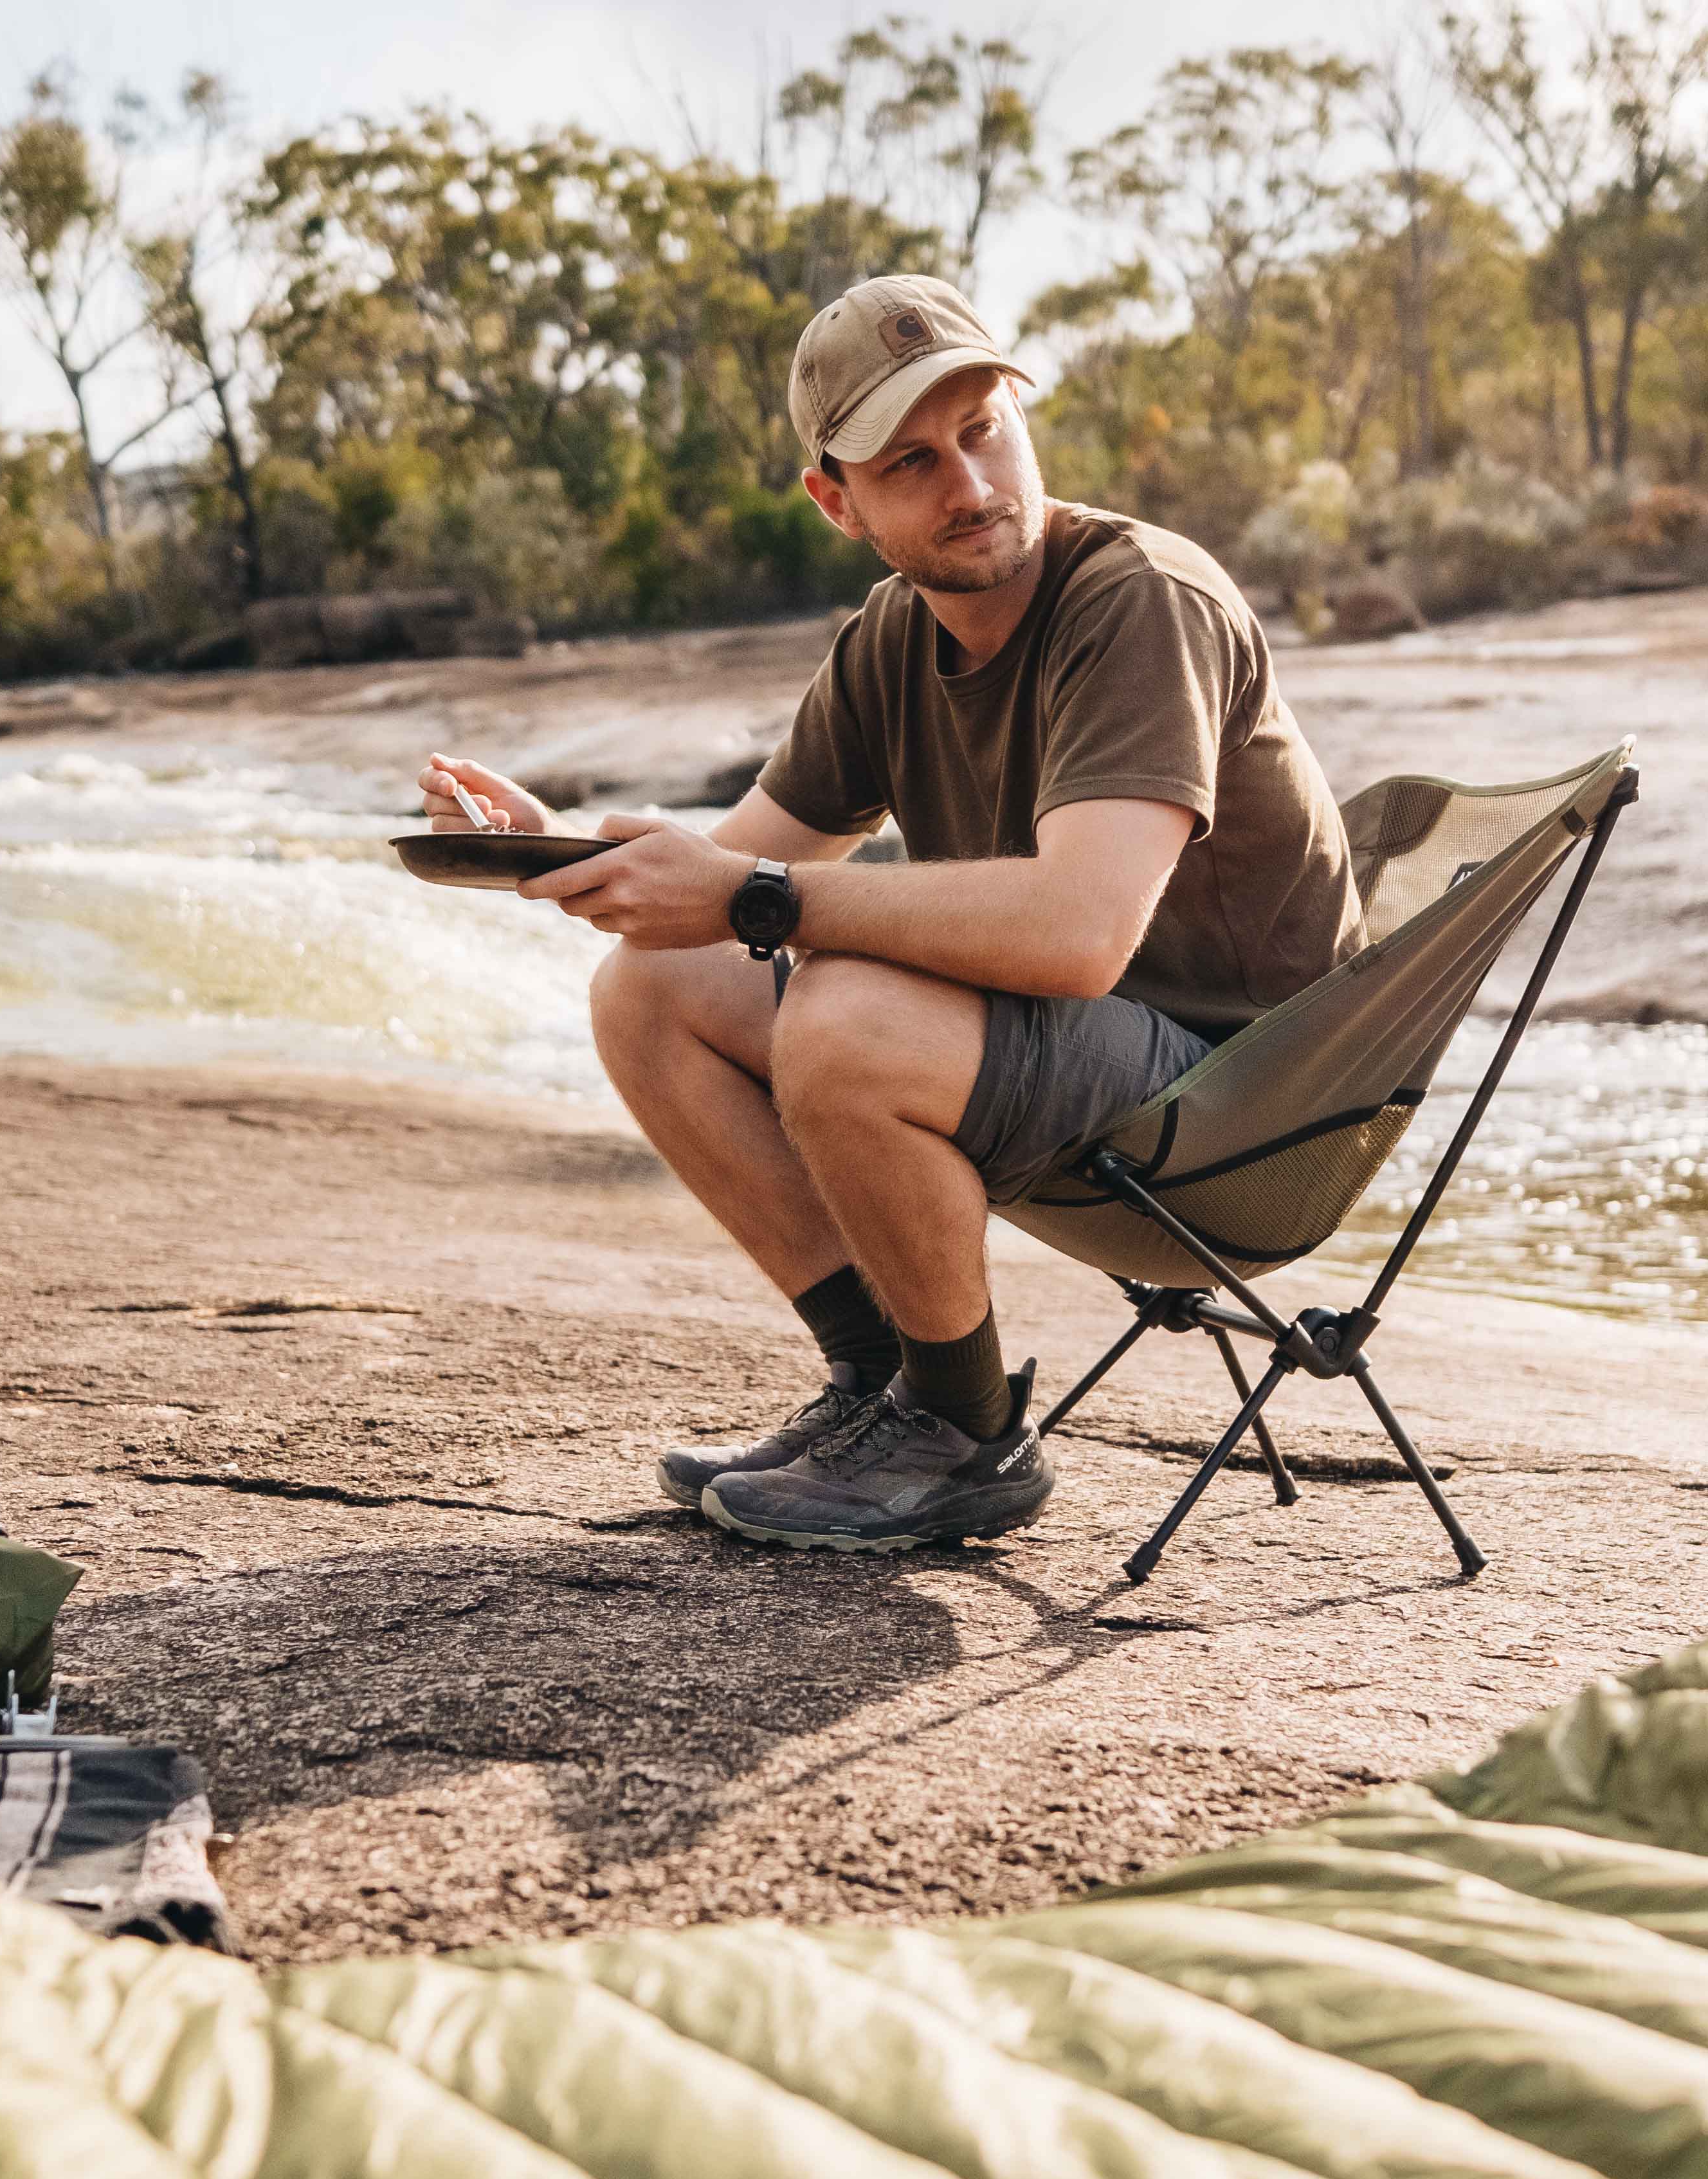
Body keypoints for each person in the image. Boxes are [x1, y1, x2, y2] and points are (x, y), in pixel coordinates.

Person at [419, 273, 1359, 1554]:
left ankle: (968, 1440)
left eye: (984, 428)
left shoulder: (1140, 597)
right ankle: (886, 1391)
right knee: (649, 994)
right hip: (1086, 1077)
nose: (969, 484)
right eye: (911, 462)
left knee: (844, 1013)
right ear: (837, 501)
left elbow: (1078, 933)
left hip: (1247, 1115)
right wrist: (561, 852)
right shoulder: (889, 643)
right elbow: (731, 879)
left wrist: (750, 899)